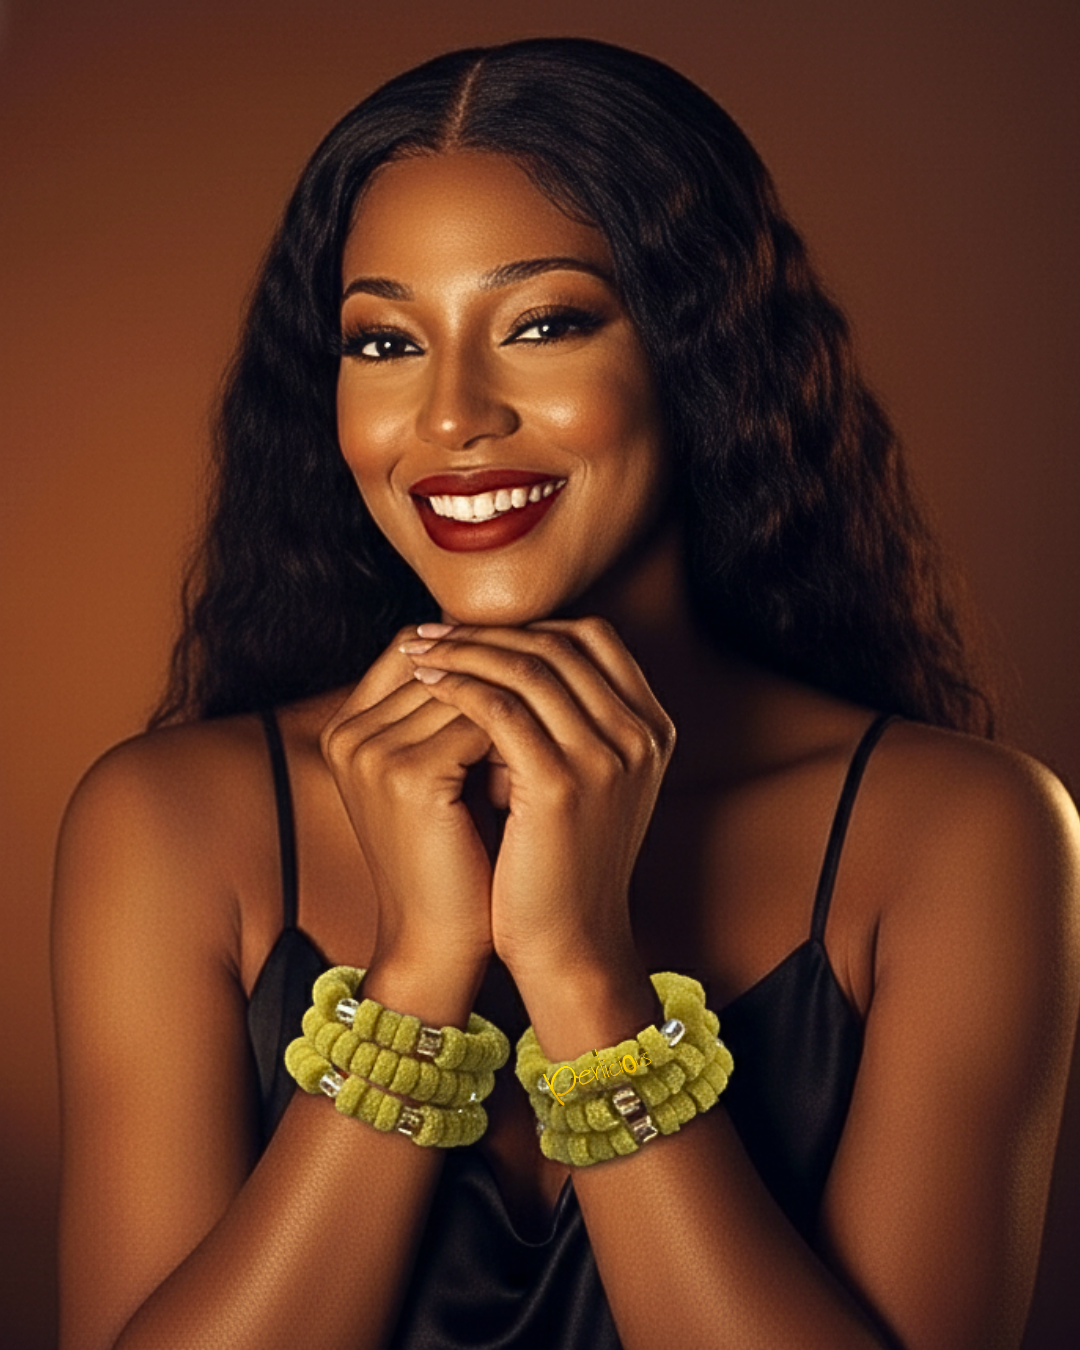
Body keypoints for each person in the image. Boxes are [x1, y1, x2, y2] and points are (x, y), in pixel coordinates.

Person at [52, 36, 1079, 1350]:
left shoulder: (964, 834)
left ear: (699, 353)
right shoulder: (168, 823)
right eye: (385, 340)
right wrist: (420, 972)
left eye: (542, 325)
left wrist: (583, 969)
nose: (451, 417)